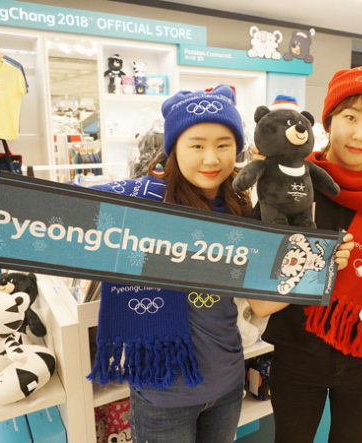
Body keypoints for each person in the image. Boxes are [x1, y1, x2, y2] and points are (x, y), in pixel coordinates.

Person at [248, 65, 362, 443]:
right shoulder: (286, 187)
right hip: (297, 357)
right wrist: (317, 267)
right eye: (350, 117)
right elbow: (259, 303)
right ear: (327, 121)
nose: (360, 134)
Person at [87, 85, 251, 443]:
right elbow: (68, 216)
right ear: (174, 149)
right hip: (163, 392)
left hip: (226, 382)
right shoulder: (140, 204)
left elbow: (262, 298)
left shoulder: (240, 209)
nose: (211, 159)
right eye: (197, 145)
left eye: (223, 145)